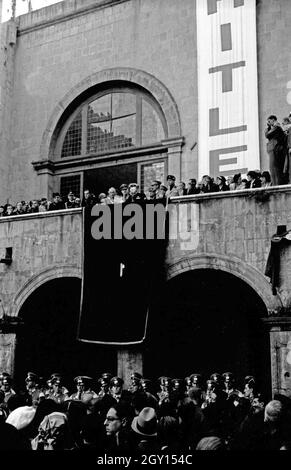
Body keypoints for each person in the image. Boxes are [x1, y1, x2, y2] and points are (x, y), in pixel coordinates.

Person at [265, 115, 287, 186]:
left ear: (273, 120)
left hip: (276, 150)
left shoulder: (277, 127)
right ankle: (275, 184)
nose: (268, 123)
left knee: (276, 168)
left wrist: (270, 128)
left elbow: (267, 135)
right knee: (272, 169)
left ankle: (277, 184)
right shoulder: (274, 128)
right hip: (273, 149)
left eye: (269, 121)